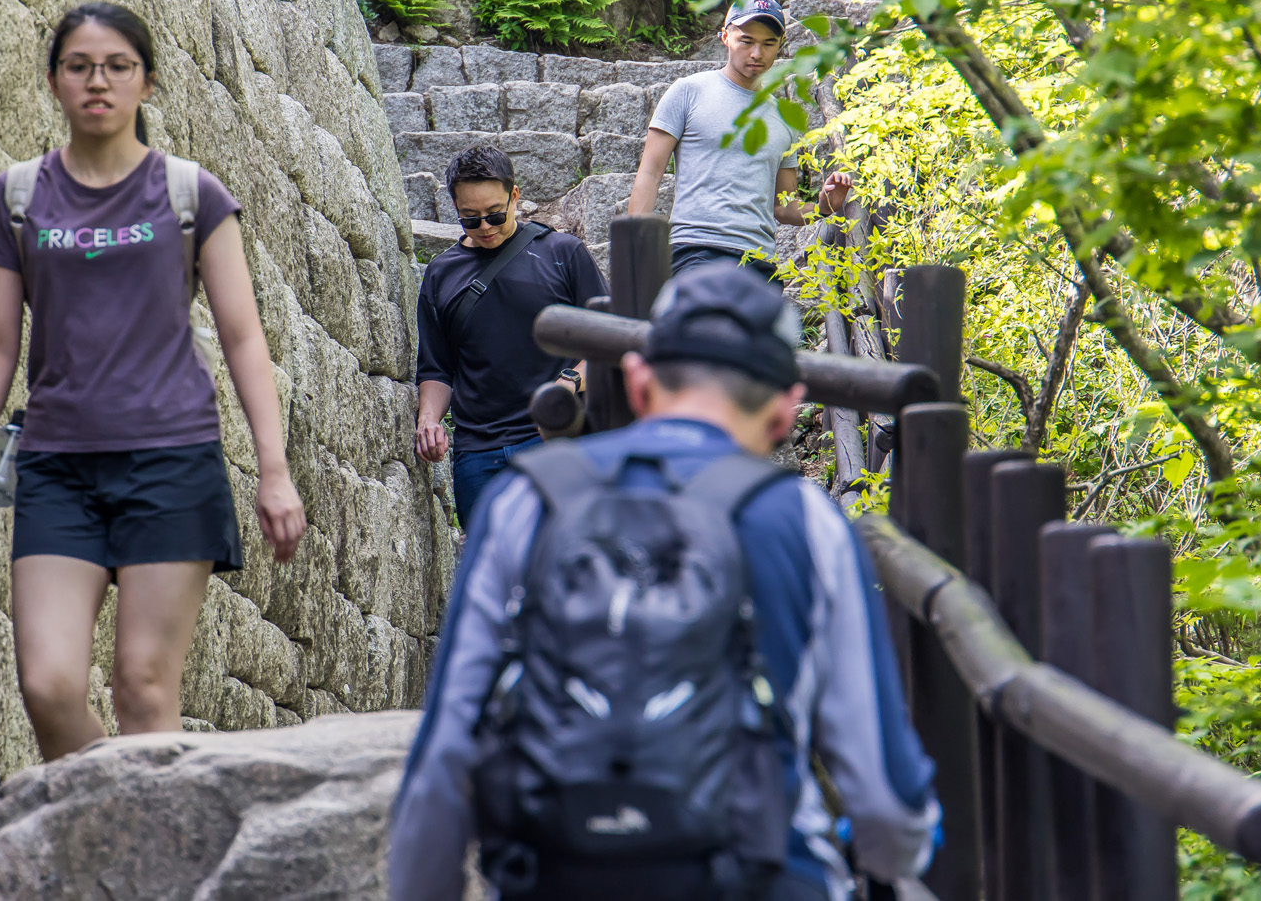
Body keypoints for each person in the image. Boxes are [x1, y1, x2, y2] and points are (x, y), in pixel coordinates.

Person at [390, 263, 939, 901]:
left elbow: (441, 763)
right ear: (786, 410)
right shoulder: (805, 522)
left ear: (639, 380)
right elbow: (888, 804)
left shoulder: (526, 501)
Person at [0, 1, 307, 761]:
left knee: (143, 688)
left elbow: (244, 338)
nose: (98, 82)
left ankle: (141, 832)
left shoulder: (191, 195)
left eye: (118, 67)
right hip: (57, 467)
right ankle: (114, 814)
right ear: (53, 82)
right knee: (48, 687)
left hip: (172, 463)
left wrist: (274, 472)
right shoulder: (17, 197)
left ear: (147, 82)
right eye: (79, 67)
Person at [416, 145, 606, 530]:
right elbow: (437, 368)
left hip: (556, 440)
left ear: (514, 196)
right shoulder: (440, 274)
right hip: (477, 455)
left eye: (495, 214)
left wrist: (570, 381)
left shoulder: (563, 253)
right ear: (455, 208)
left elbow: (606, 342)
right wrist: (429, 419)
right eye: (470, 218)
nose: (485, 227)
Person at [627, 0, 854, 278]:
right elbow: (650, 174)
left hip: (758, 261)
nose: (757, 53)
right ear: (725, 37)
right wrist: (633, 253)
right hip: (695, 250)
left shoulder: (784, 117)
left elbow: (783, 207)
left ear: (781, 44)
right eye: (746, 41)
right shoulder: (688, 92)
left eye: (768, 43)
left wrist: (824, 205)